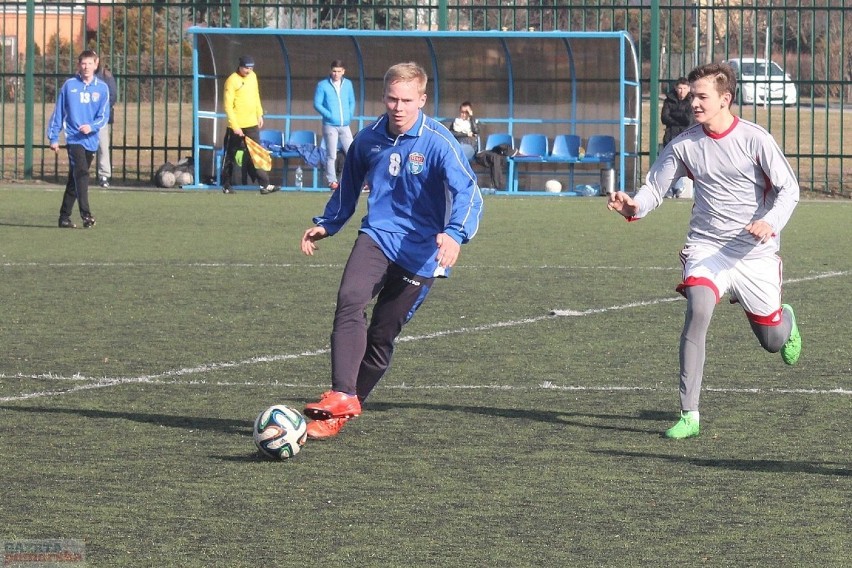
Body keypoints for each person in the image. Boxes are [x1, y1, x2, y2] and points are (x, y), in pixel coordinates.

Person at [607, 62, 802, 440]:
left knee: (772, 341)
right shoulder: (683, 144)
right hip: (707, 247)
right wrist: (634, 206)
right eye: (691, 95)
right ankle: (689, 414)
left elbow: (789, 190)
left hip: (754, 252)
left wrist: (770, 223)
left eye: (702, 96)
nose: (693, 102)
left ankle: (786, 321)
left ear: (725, 99)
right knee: (697, 310)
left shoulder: (755, 138)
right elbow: (655, 188)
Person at [300, 61, 484, 440]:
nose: (398, 107)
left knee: (382, 335)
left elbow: (470, 193)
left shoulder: (439, 141)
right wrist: (327, 223)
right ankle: (341, 393)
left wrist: (454, 234)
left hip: (422, 253)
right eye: (391, 99)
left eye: (406, 100)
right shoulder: (368, 140)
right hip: (378, 236)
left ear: (422, 99)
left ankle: (347, 404)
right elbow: (348, 189)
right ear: (383, 98)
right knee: (350, 299)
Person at [47, 50, 110, 229]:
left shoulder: (102, 88)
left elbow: (104, 115)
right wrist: (53, 137)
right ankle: (86, 215)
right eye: (83, 63)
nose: (86, 67)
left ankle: (64, 217)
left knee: (75, 179)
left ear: (96, 64)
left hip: (91, 139)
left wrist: (92, 126)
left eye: (90, 63)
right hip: (74, 138)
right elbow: (59, 112)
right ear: (78, 65)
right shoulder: (69, 86)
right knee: (81, 173)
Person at [220, 55, 276, 195]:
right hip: (237, 126)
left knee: (256, 155)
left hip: (252, 124)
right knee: (230, 156)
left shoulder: (252, 77)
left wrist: (259, 114)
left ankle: (265, 185)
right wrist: (235, 126)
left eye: (251, 68)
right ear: (240, 66)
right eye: (246, 68)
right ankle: (226, 185)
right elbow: (228, 106)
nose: (248, 71)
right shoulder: (232, 80)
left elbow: (256, 96)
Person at [313, 59, 356, 190]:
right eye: (334, 71)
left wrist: (349, 115)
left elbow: (351, 101)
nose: (336, 74)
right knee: (331, 154)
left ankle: (354, 179)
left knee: (353, 152)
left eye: (339, 71)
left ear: (343, 71)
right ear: (330, 71)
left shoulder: (348, 84)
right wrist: (329, 115)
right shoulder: (322, 85)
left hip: (345, 125)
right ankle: (332, 181)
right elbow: (317, 104)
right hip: (330, 125)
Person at [661, 77, 696, 198]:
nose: (682, 91)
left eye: (684, 88)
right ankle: (670, 189)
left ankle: (680, 188)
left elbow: (689, 120)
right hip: (670, 136)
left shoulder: (692, 100)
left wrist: (674, 115)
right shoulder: (669, 100)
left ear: (689, 88)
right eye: (680, 88)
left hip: (686, 137)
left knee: (684, 164)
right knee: (669, 163)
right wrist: (679, 118)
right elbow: (664, 118)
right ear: (676, 88)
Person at [94, 62, 118, 188]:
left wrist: (102, 111)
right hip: (84, 119)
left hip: (101, 118)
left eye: (92, 61)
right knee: (82, 147)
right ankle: (80, 174)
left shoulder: (106, 75)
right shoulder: (78, 76)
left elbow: (112, 96)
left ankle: (104, 175)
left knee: (103, 147)